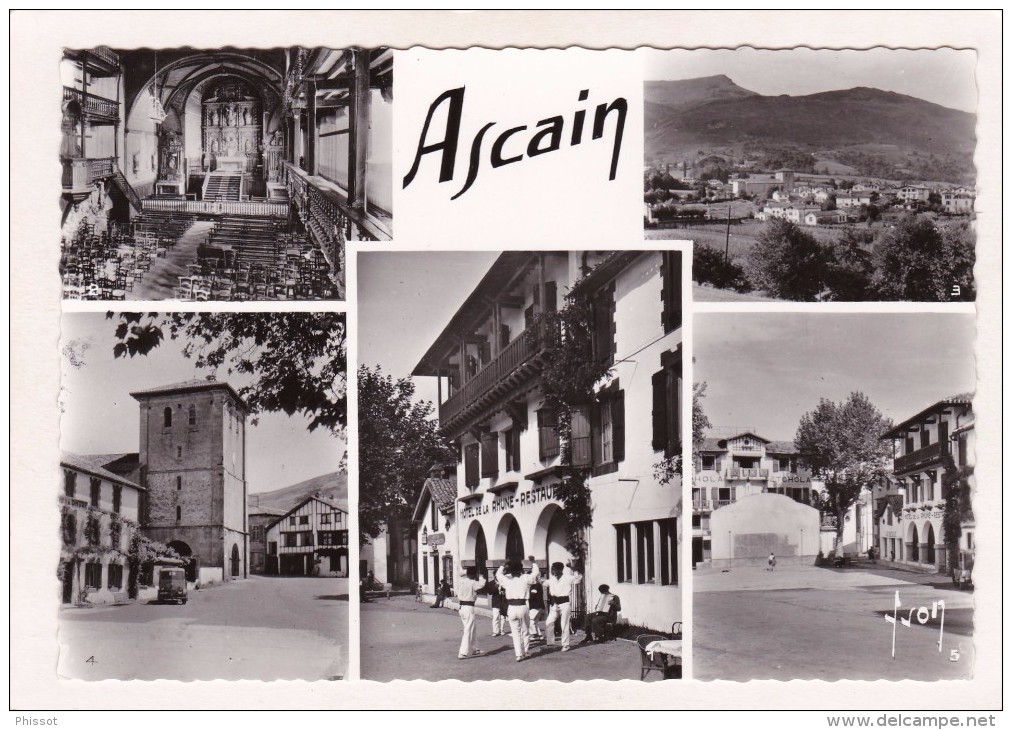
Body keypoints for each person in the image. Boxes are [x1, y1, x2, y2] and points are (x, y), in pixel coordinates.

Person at [496, 559, 541, 661]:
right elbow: (535, 573)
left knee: (515, 632)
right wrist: (533, 562)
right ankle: (525, 652)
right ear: (521, 570)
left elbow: (498, 574)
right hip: (522, 606)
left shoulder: (507, 580)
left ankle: (519, 654)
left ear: (510, 571)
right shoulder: (525, 579)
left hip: (511, 608)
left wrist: (503, 566)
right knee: (525, 631)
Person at [545, 561, 583, 652]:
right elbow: (544, 583)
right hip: (554, 603)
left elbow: (579, 579)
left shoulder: (568, 578)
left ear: (560, 570)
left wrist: (572, 568)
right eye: (552, 569)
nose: (552, 571)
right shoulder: (552, 579)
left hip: (564, 603)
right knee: (548, 622)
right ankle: (550, 642)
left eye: (554, 569)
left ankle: (566, 645)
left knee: (564, 624)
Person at [456, 567, 486, 660]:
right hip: (469, 607)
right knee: (468, 630)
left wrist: (467, 571)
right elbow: (482, 584)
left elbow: (460, 574)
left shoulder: (461, 581)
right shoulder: (473, 583)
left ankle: (475, 648)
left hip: (461, 607)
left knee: (472, 628)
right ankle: (462, 652)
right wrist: (481, 576)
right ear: (474, 575)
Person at [526, 561, 546, 643]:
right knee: (535, 622)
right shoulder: (538, 585)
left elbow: (532, 596)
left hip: (535, 606)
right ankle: (540, 635)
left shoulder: (535, 586)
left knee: (530, 621)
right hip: (539, 606)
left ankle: (534, 635)